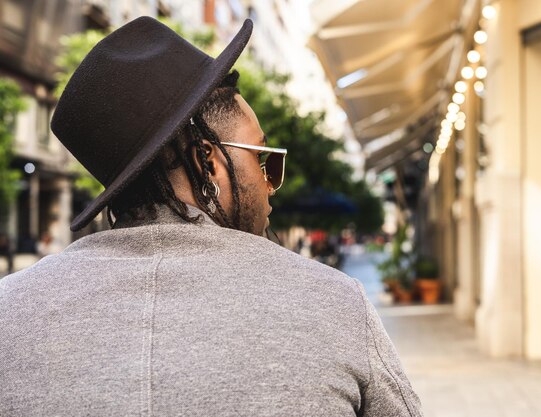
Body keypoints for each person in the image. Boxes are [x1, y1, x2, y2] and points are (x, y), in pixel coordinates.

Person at [0, 17, 423, 416]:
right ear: (208, 162)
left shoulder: (10, 313)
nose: (270, 184)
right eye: (263, 159)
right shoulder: (333, 304)